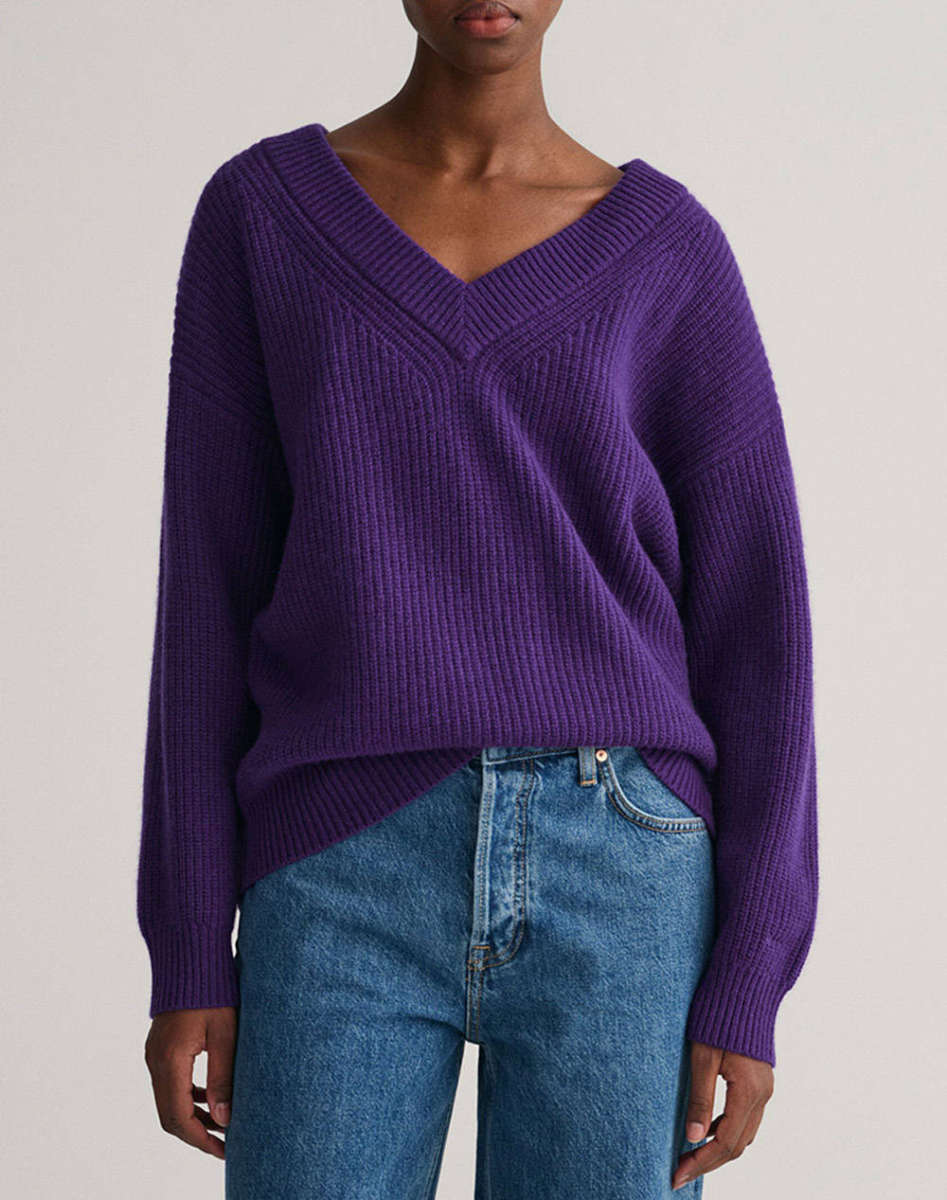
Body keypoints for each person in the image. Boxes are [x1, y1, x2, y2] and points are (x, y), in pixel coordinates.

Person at [137, 2, 819, 1196]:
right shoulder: (264, 216)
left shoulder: (668, 251)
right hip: (336, 861)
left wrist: (748, 972)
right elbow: (206, 588)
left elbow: (757, 622)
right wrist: (188, 943)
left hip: (620, 860)